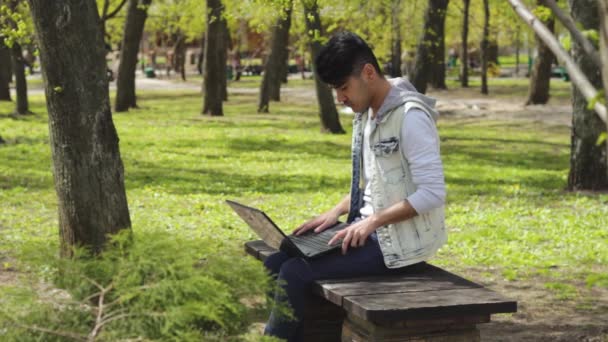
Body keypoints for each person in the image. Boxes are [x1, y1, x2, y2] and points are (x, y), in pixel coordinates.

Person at [263, 31, 447, 341]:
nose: (340, 99)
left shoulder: (411, 117)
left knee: (294, 272)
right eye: (335, 90)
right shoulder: (366, 117)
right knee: (275, 262)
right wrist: (334, 211)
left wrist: (372, 221)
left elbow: (433, 193)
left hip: (396, 247)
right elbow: (375, 184)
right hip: (366, 232)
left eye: (343, 88)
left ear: (369, 73)